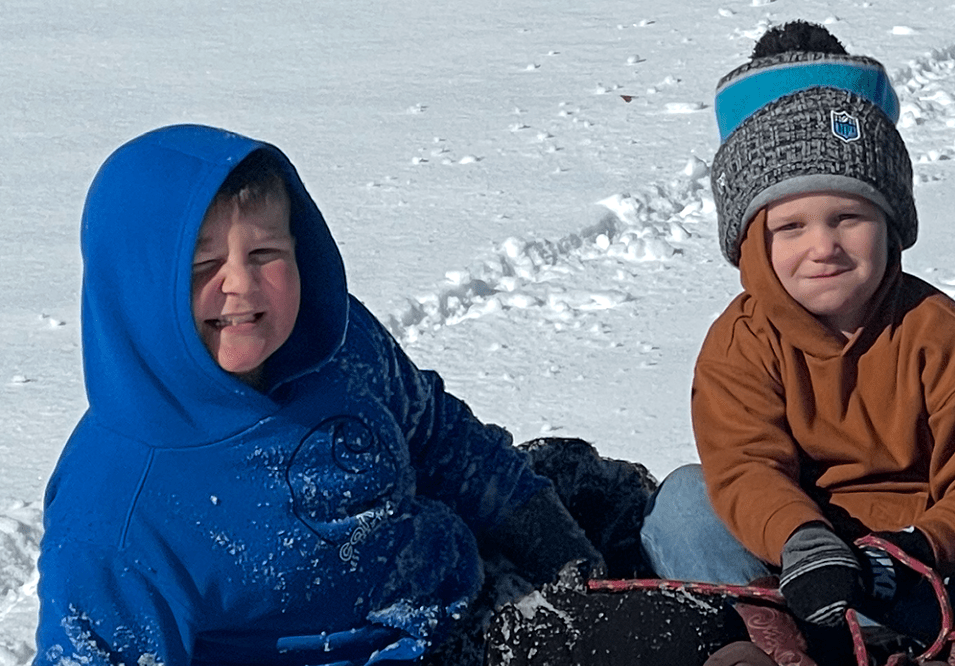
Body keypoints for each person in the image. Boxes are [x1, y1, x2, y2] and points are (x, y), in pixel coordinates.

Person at [33, 124, 604, 666]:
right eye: (204, 265)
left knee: (597, 488)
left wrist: (561, 557)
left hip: (453, 586)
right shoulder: (117, 519)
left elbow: (440, 436)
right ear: (136, 290)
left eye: (264, 255)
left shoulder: (336, 343)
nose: (242, 283)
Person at [640, 21, 955, 665]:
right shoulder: (740, 343)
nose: (823, 245)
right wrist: (802, 539)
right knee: (686, 504)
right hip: (798, 573)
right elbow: (745, 464)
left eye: (849, 218)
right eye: (791, 226)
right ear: (751, 244)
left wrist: (918, 547)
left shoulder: (940, 333)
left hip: (928, 567)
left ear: (892, 226)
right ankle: (777, 645)